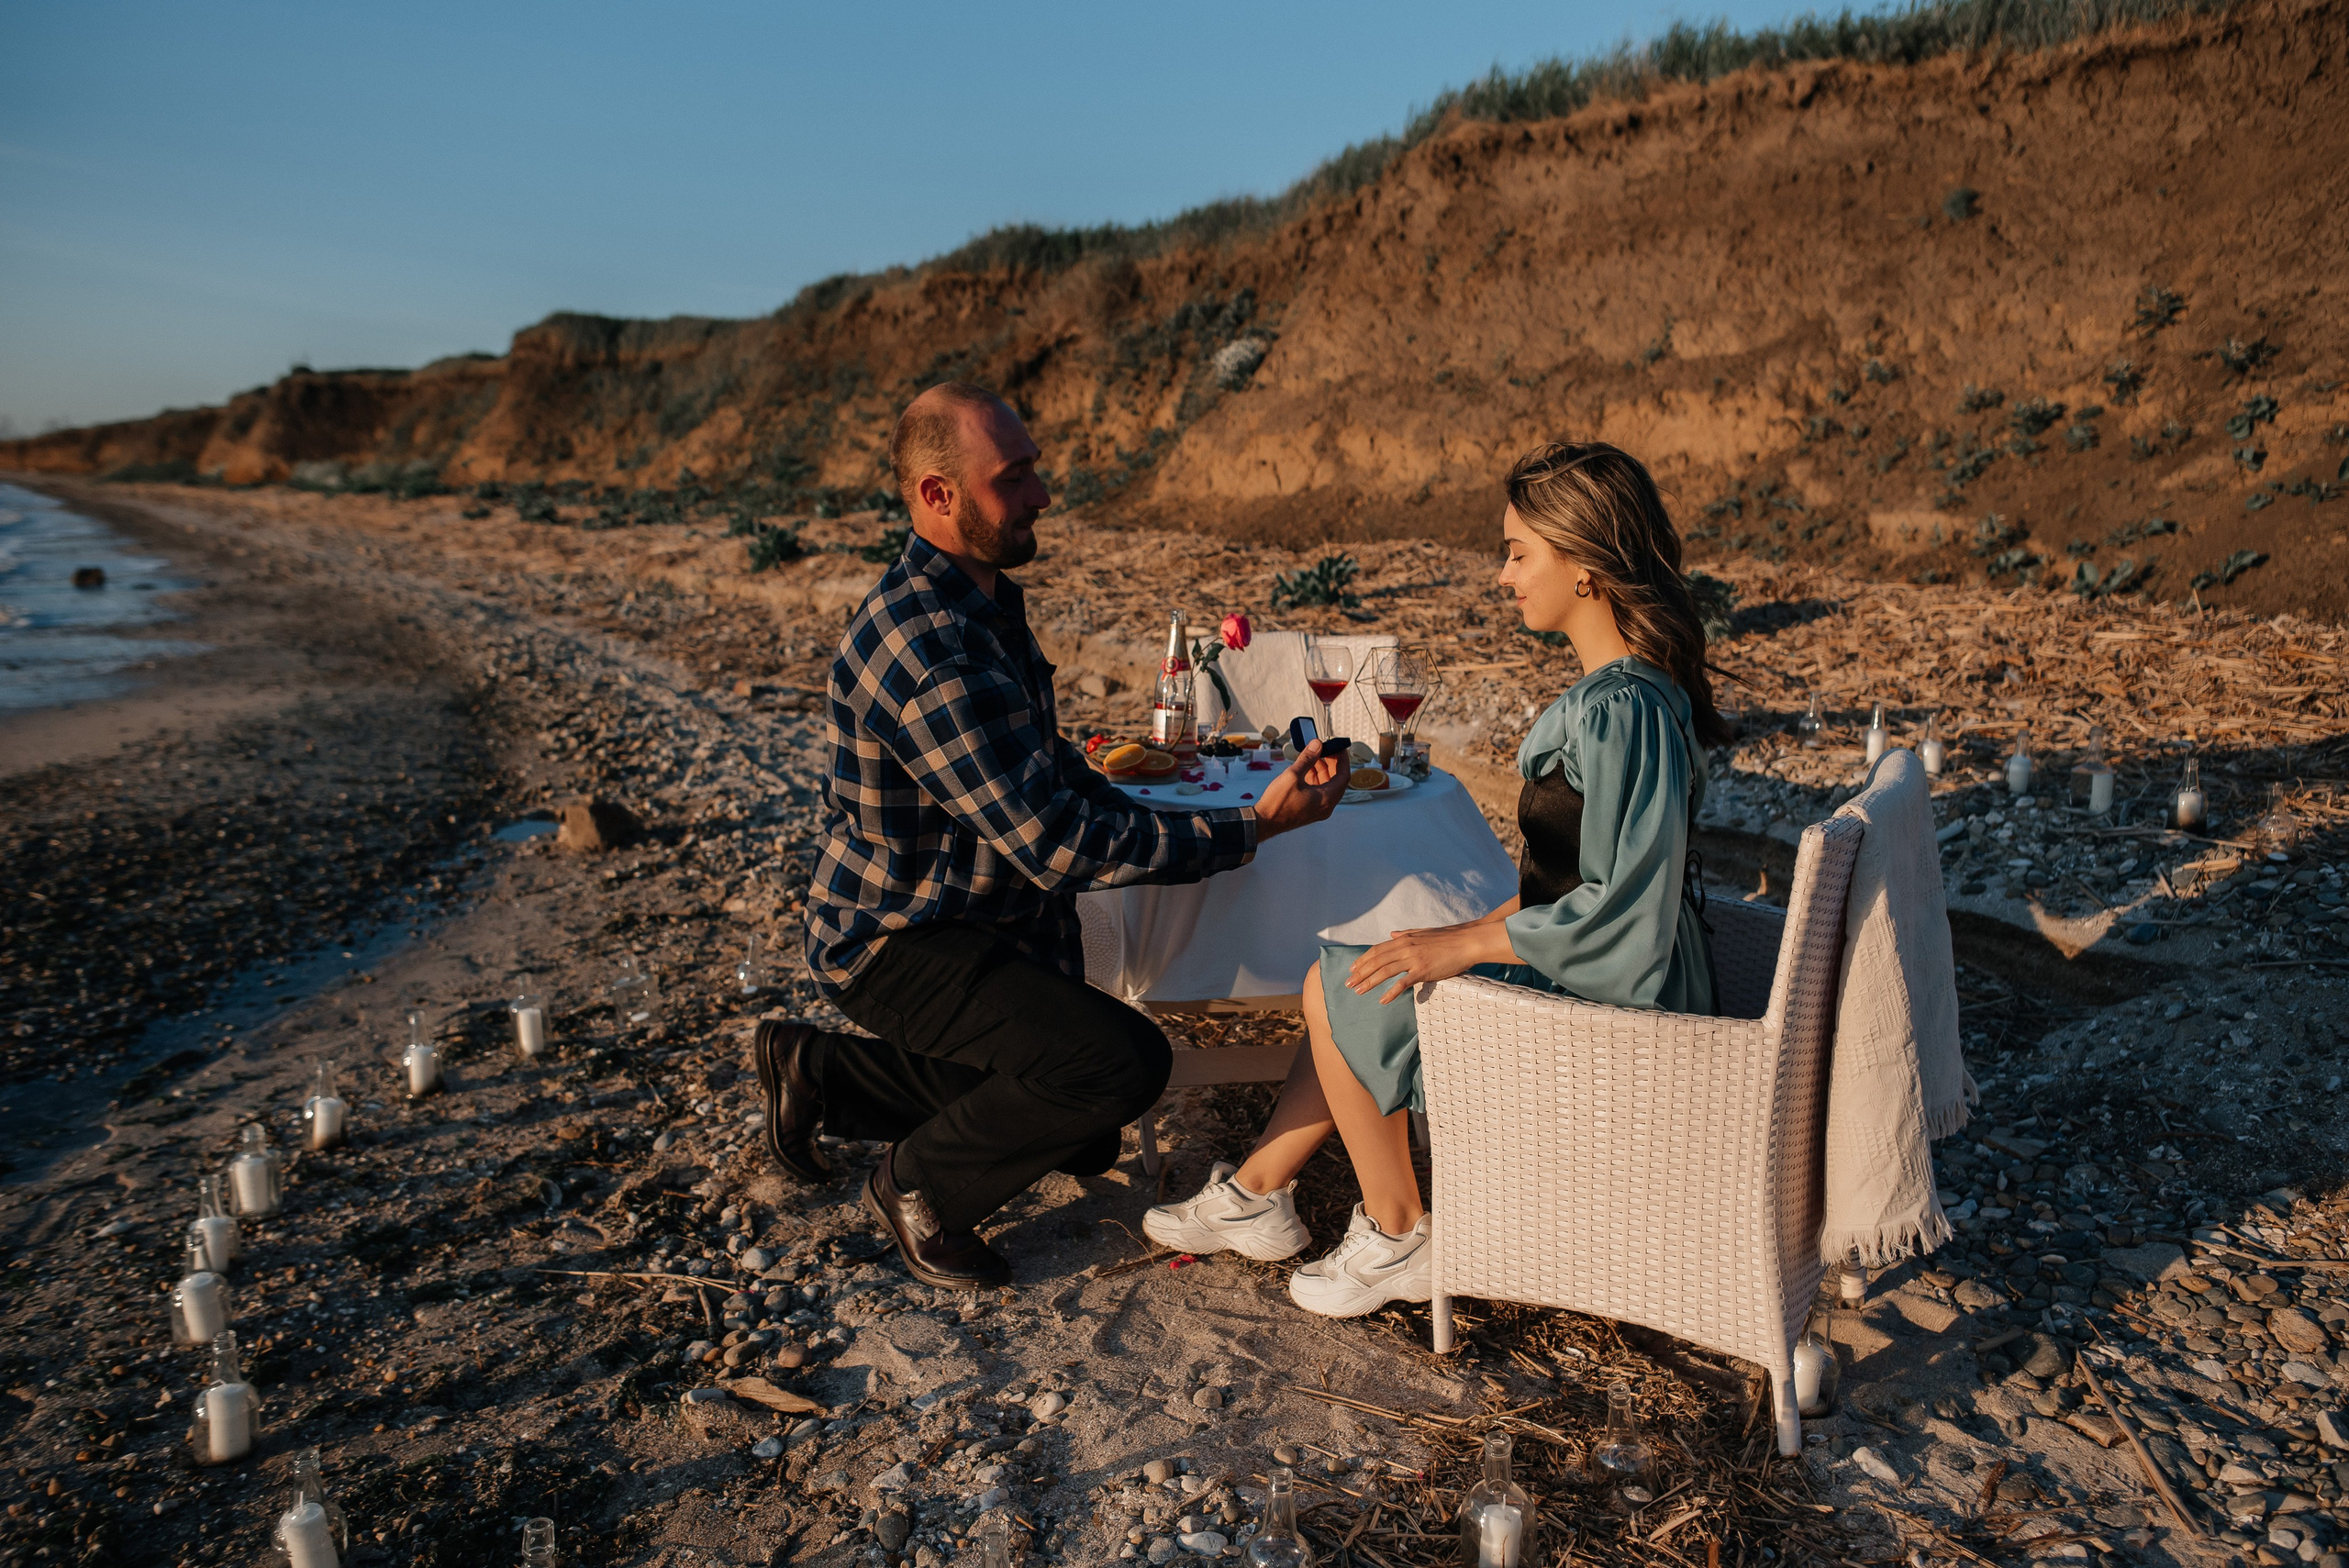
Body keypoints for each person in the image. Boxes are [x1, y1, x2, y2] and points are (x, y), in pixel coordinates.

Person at [755, 382, 1351, 1291]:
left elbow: (1048, 767)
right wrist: (1247, 827)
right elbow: (1052, 841)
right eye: (1014, 476)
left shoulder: (983, 602)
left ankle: (822, 1072)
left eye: (1033, 468)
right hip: (898, 938)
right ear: (936, 495)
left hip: (973, 912)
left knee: (1081, 1126)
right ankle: (917, 1188)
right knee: (1121, 1064)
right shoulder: (931, 646)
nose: (1040, 493)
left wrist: (1208, 809)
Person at [1143, 439, 1731, 1317]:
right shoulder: (1628, 695)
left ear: (1585, 567)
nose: (1504, 575)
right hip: (1603, 962)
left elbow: (1624, 913)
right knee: (1372, 965)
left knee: (1335, 980)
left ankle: (1399, 1231)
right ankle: (1263, 1189)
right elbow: (1572, 880)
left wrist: (1465, 941)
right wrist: (1449, 941)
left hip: (1625, 1007)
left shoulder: (1625, 710)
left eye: (1519, 552)